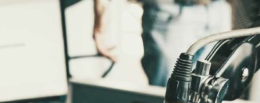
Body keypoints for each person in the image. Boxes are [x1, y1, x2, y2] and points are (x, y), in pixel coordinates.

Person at [93, 0, 232, 86]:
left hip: (218, 9)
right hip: (170, 12)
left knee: (209, 92)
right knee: (167, 99)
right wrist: (100, 30)